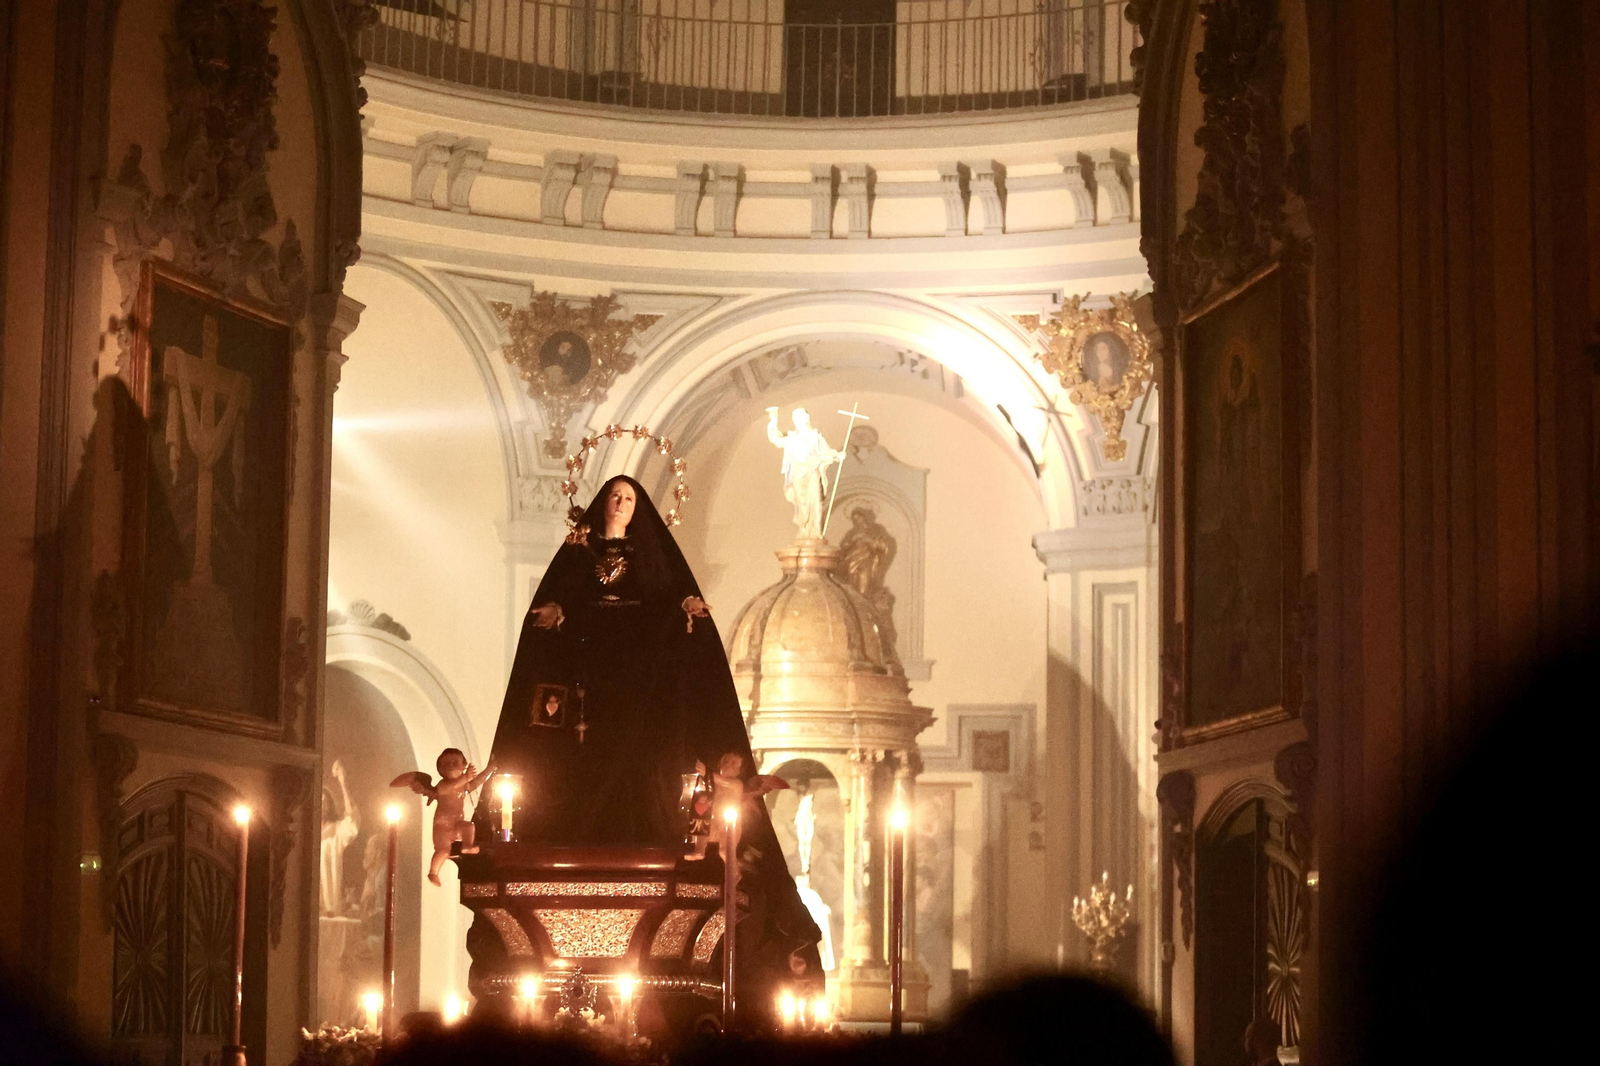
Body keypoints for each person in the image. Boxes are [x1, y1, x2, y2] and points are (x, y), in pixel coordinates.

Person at [486, 475, 823, 1006]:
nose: (620, 504)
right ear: (600, 505)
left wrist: (683, 609)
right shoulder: (578, 552)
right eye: (615, 497)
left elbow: (665, 602)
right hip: (589, 680)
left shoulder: (650, 557)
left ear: (638, 509)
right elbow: (561, 599)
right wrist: (559, 611)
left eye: (629, 499)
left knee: (646, 761)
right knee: (584, 762)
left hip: (640, 684)